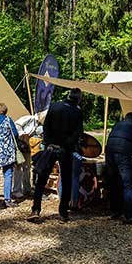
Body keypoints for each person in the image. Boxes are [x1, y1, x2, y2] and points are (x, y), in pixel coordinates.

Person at [28, 88, 84, 222]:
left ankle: (36, 209)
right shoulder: (77, 111)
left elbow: (46, 126)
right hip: (66, 150)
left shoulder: (54, 106)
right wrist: (65, 145)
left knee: (41, 179)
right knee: (66, 180)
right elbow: (77, 133)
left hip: (51, 148)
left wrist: (49, 143)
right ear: (79, 99)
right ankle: (63, 213)